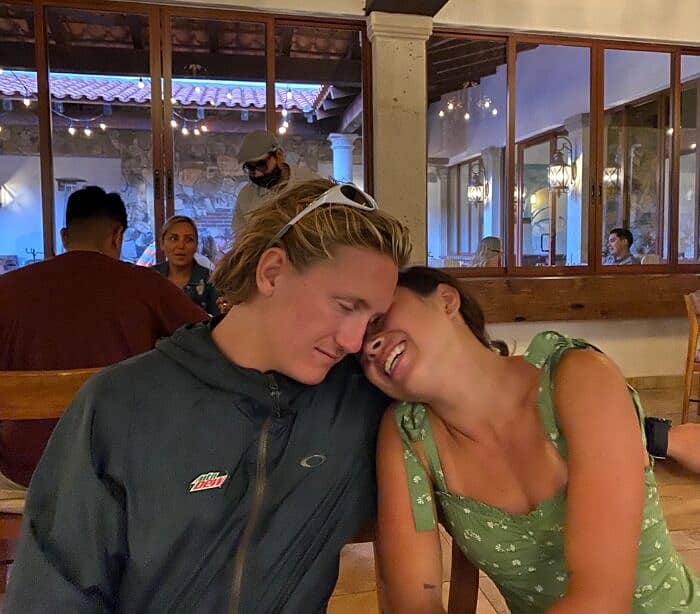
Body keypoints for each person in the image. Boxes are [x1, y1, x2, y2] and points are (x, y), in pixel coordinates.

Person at [5, 179, 412, 613]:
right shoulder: (118, 406)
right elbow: (49, 596)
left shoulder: (358, 402)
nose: (353, 341)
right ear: (272, 272)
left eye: (371, 320)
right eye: (345, 306)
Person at [361, 266, 699, 613]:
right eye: (358, 348)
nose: (369, 346)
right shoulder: (408, 433)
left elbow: (601, 599)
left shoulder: (578, 377)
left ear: (446, 300)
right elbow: (414, 603)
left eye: (380, 318)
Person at [0, 186, 207, 486]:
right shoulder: (146, 285)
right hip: (119, 467)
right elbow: (209, 340)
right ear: (117, 236)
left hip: (22, 471)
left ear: (64, 237)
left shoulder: (7, 289)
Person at [232, 130, 320, 236]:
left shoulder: (311, 184)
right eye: (250, 168)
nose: (257, 174)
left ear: (279, 155)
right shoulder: (246, 197)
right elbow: (240, 238)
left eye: (261, 165)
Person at [153, 215, 220, 316]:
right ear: (162, 243)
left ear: (196, 245)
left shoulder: (211, 281)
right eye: (173, 238)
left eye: (189, 240)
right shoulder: (151, 277)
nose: (181, 246)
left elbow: (220, 321)